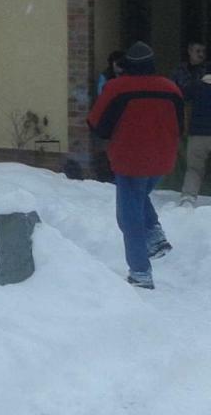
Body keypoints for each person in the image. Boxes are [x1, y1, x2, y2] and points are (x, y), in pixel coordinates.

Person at [88, 42, 183, 289]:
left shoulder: (117, 88)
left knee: (128, 216)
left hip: (130, 159)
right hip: (163, 158)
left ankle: (140, 271)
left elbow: (98, 124)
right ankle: (154, 236)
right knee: (139, 198)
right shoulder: (171, 89)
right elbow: (179, 125)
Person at [174, 42, 211, 207]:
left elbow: (179, 96)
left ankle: (188, 197)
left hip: (197, 134)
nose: (201, 54)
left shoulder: (196, 87)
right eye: (198, 51)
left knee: (194, 169)